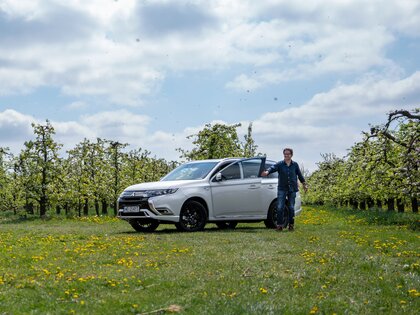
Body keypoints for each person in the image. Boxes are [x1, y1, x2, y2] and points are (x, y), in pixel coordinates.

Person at [261, 148, 307, 231]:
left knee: (291, 207)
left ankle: (291, 225)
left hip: (292, 189)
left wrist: (304, 184)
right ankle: (279, 225)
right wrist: (267, 172)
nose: (286, 155)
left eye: (288, 154)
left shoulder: (295, 165)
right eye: (285, 154)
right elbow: (272, 168)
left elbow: (299, 175)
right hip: (282, 188)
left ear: (291, 155)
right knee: (280, 207)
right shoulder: (280, 164)